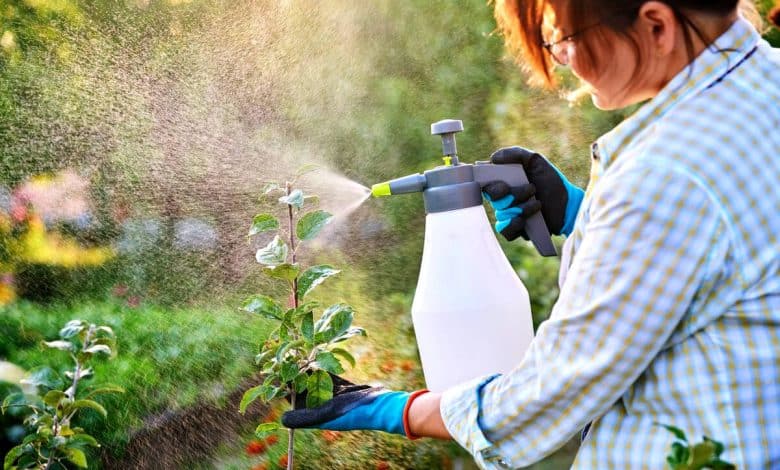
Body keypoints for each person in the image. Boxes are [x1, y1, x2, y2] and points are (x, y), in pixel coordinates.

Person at [283, 1, 780, 468]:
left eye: (565, 37)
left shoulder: (665, 177)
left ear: (657, 25)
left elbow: (552, 392)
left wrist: (389, 408)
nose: (561, 59)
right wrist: (580, 213)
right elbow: (724, 253)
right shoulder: (765, 86)